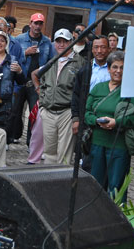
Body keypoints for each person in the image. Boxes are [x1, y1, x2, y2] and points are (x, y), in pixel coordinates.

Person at [84, 51, 134, 198]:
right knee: (96, 185)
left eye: (122, 68)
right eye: (115, 67)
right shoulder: (99, 88)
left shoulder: (131, 91)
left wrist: (117, 122)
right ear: (108, 68)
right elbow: (86, 112)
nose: (118, 71)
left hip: (118, 146)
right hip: (97, 143)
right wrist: (96, 121)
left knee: (116, 187)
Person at [32, 28, 84, 165]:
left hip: (67, 111)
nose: (61, 44)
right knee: (49, 152)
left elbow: (82, 91)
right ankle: (49, 182)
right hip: (48, 111)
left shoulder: (80, 63)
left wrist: (76, 117)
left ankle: (61, 182)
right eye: (58, 41)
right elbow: (35, 75)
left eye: (65, 41)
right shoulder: (52, 61)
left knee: (64, 154)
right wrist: (41, 96)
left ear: (71, 42)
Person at [14, 13, 55, 162]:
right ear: (30, 23)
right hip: (20, 80)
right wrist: (25, 53)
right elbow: (13, 58)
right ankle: (10, 138)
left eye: (40, 24)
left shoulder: (47, 43)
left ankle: (31, 144)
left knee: (35, 115)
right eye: (35, 23)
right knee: (15, 111)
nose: (37, 26)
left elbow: (51, 62)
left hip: (36, 83)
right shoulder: (19, 39)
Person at [71, 35, 111, 171]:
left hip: (108, 118)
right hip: (88, 117)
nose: (99, 51)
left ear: (109, 49)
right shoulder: (85, 69)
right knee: (86, 154)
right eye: (96, 47)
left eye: (103, 47)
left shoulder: (114, 70)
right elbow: (76, 95)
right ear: (92, 50)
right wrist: (76, 118)